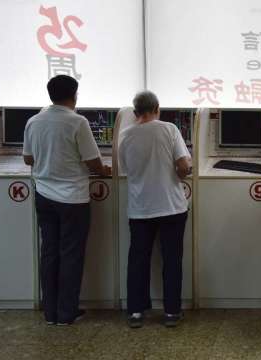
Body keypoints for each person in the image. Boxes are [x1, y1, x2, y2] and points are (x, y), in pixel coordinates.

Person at [23, 75, 111, 325]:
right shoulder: (77, 122)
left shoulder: (34, 121)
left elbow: (28, 159)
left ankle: (50, 313)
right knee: (71, 254)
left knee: (49, 253)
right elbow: (92, 161)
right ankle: (67, 312)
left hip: (44, 195)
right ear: (75, 94)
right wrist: (105, 171)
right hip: (73, 198)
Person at [119, 91, 192, 328]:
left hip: (140, 208)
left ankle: (136, 312)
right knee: (172, 259)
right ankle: (171, 312)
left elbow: (125, 169)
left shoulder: (125, 136)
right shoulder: (169, 129)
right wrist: (180, 174)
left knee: (138, 259)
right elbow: (184, 165)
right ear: (157, 108)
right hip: (171, 206)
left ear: (135, 112)